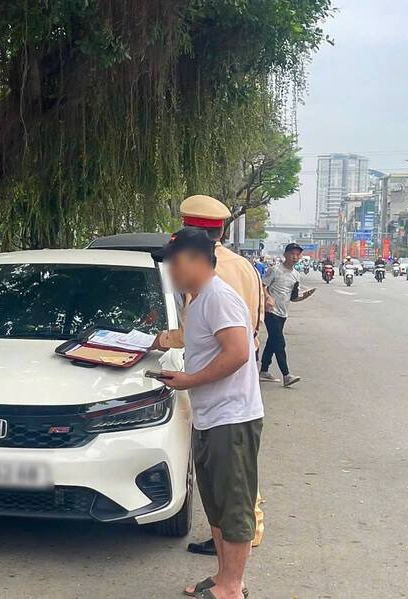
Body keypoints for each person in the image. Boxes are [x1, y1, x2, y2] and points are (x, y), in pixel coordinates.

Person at [152, 228, 264, 599]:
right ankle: (222, 577)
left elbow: (237, 353)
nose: (169, 271)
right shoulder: (198, 299)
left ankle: (232, 587)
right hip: (211, 416)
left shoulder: (219, 297)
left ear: (197, 260)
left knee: (233, 505)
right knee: (216, 504)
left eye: (173, 263)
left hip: (232, 418)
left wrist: (190, 380)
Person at [259, 243, 316, 387]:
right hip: (271, 312)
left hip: (283, 314)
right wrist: (267, 298)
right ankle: (286, 375)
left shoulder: (296, 275)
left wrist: (305, 296)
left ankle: (264, 371)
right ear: (285, 255)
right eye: (292, 254)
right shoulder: (275, 270)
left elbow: (293, 297)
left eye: (298, 254)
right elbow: (262, 286)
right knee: (280, 342)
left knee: (273, 342)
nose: (295, 257)